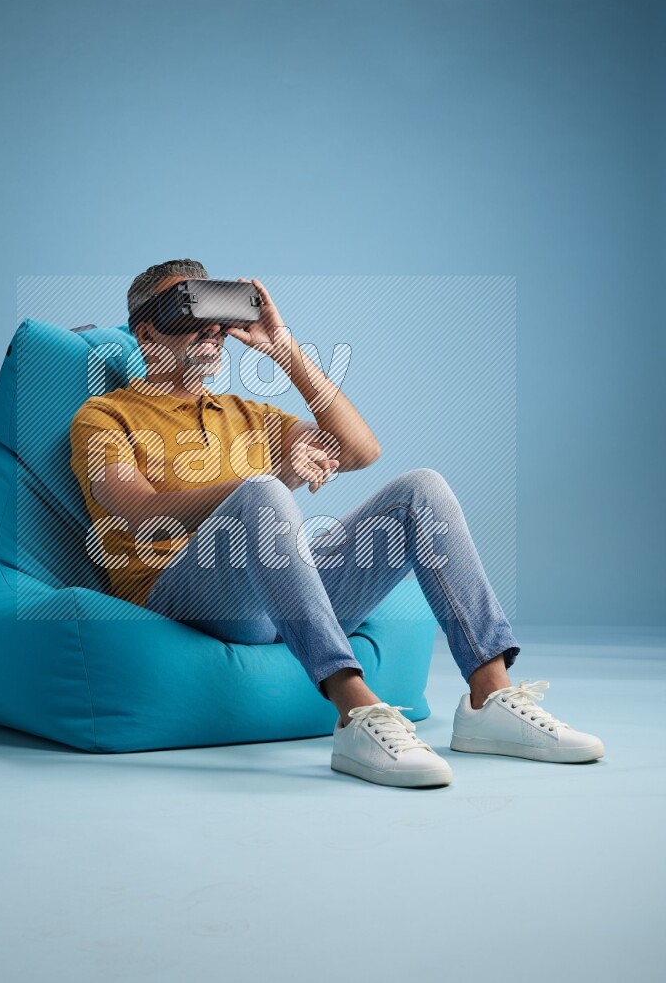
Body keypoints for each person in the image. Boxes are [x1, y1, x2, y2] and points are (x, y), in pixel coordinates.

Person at [70, 259, 605, 789]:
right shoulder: (105, 415)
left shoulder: (246, 414)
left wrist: (284, 349)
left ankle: (490, 696)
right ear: (147, 332)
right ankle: (355, 712)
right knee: (262, 490)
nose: (211, 327)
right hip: (184, 597)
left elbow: (359, 449)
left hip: (281, 595)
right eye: (190, 309)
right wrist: (267, 479)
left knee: (421, 489)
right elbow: (137, 510)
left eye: (216, 311)